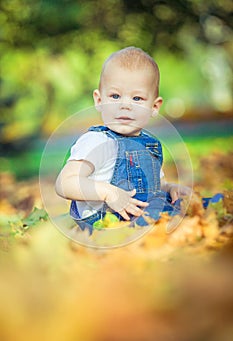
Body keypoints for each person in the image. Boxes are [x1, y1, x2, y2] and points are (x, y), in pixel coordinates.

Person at [55, 47, 192, 233]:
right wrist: (107, 192)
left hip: (141, 211)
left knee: (187, 205)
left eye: (137, 98)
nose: (125, 105)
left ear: (154, 106)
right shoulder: (97, 142)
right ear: (99, 100)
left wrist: (169, 188)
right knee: (173, 217)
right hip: (105, 221)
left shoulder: (150, 145)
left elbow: (154, 187)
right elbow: (65, 183)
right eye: (115, 96)